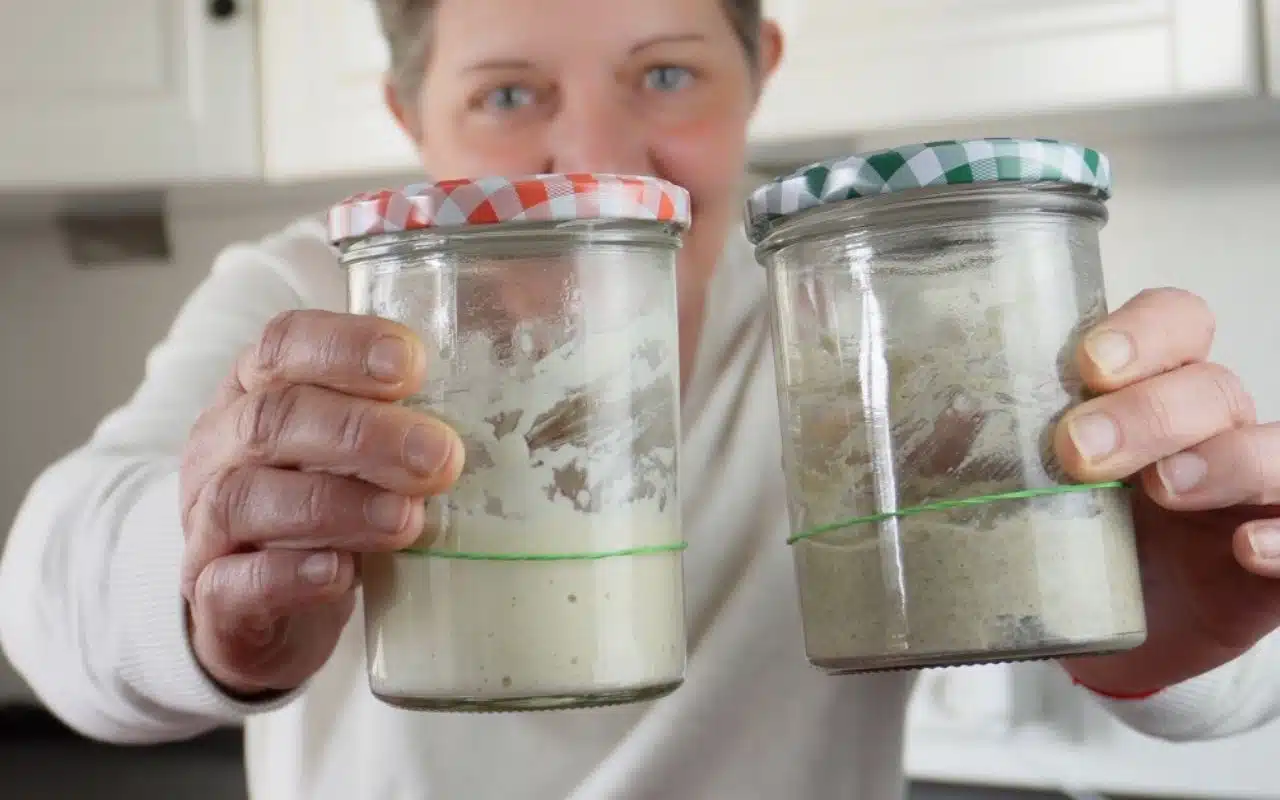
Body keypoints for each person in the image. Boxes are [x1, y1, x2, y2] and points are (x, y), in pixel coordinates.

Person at [2, 1, 1279, 797]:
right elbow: (51, 590)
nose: (597, 162)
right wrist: (206, 587)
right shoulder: (312, 294)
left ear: (758, 66)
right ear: (407, 110)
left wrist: (1164, 632)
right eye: (508, 94)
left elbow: (1196, 679)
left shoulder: (872, 307)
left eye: (666, 75)